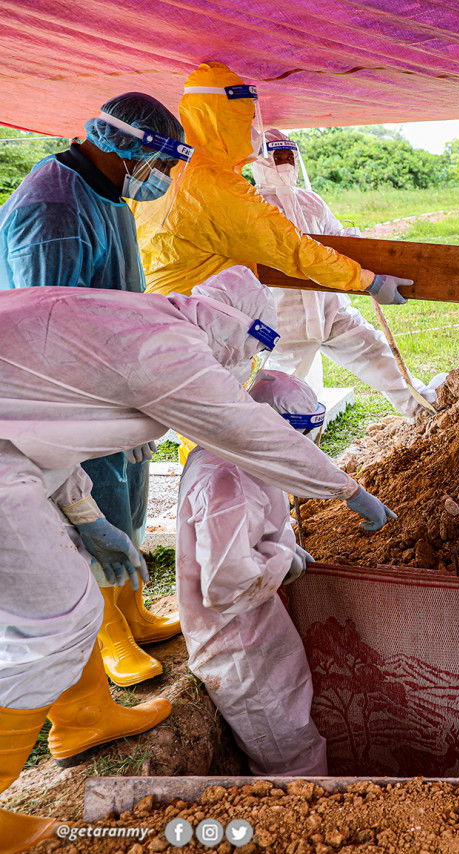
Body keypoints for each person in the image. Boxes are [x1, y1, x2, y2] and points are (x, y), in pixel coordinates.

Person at [0, 271, 395, 846]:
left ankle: (79, 719)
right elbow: (249, 432)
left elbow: (41, 422)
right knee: (57, 619)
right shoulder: (166, 350)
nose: (252, 362)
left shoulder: (151, 323)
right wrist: (344, 490)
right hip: (234, 642)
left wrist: (84, 513)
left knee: (54, 617)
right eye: (259, 345)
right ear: (241, 326)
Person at [0, 92, 189, 687]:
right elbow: (48, 331)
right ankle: (106, 637)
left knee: (126, 492)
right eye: (157, 166)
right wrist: (104, 398)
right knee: (86, 505)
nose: (157, 180)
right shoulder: (54, 209)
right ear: (125, 147)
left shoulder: (106, 193)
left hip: (109, 382)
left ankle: (129, 611)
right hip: (65, 396)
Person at [132, 62, 411, 306]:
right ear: (225, 121)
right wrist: (367, 281)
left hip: (160, 309)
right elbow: (291, 249)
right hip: (198, 317)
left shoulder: (161, 167)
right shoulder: (217, 185)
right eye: (247, 119)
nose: (252, 131)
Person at [177, 370, 330, 775]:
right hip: (237, 643)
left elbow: (253, 527)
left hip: (255, 624)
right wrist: (283, 560)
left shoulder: (237, 452)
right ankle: (301, 820)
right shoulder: (227, 482)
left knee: (292, 722)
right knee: (286, 745)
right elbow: (229, 585)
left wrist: (286, 545)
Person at [251, 129, 431, 417]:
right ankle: (272, 443)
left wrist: (358, 247)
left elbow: (338, 239)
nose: (285, 163)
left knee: (374, 351)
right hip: (285, 320)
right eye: (276, 157)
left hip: (331, 309)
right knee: (279, 390)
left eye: (289, 157)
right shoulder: (253, 206)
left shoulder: (312, 202)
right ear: (260, 162)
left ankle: (419, 407)